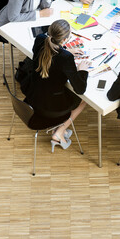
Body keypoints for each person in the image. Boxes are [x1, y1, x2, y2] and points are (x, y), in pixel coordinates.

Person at [25, 19, 91, 151]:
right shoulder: (65, 58)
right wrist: (82, 70)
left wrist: (64, 50)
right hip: (51, 106)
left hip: (33, 96)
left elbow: (48, 54)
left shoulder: (40, 39)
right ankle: (60, 131)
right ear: (65, 39)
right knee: (84, 100)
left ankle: (60, 130)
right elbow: (80, 89)